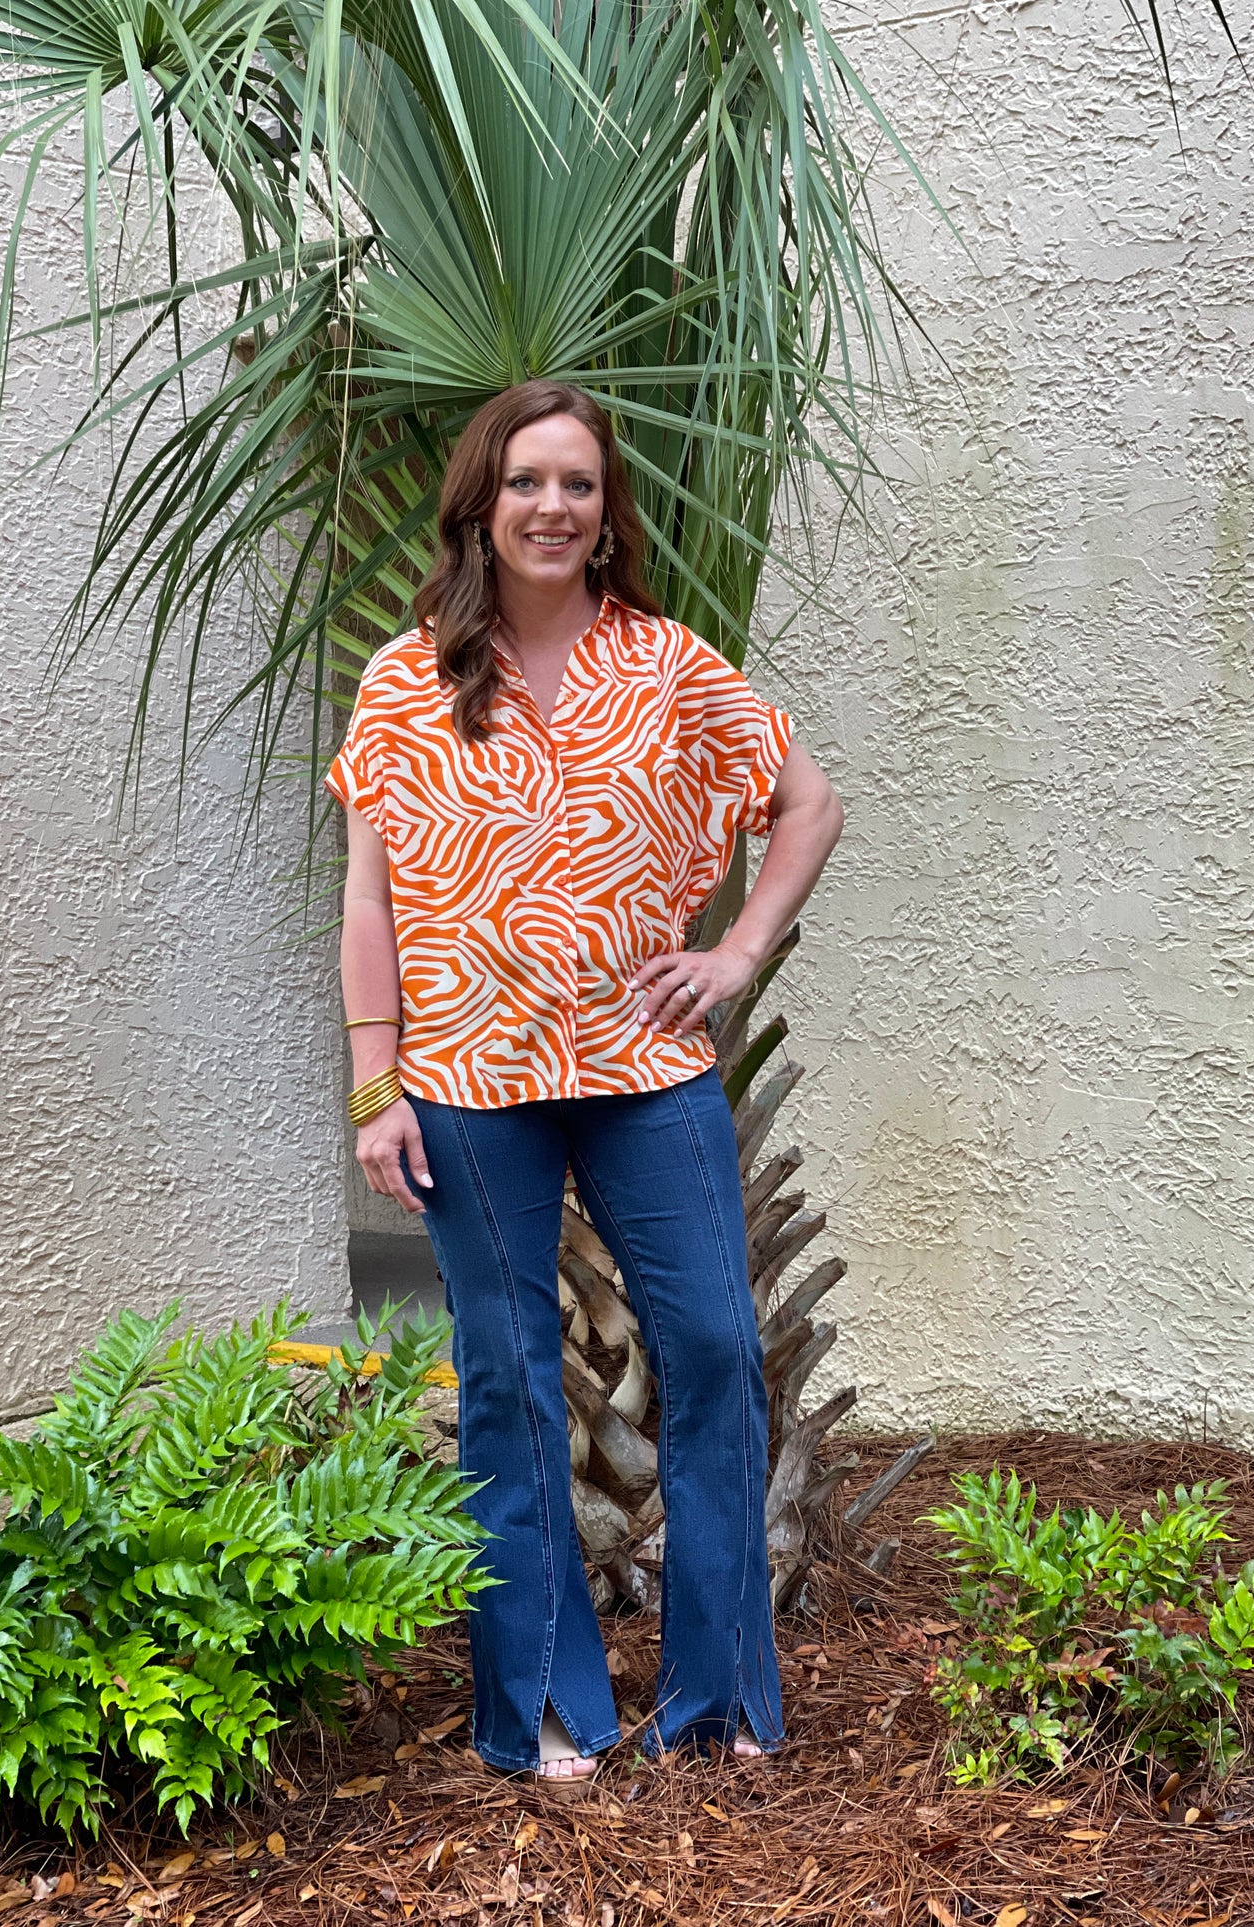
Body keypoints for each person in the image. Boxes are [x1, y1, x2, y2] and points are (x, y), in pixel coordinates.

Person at [328, 379, 843, 1781]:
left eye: (577, 485)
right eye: (525, 483)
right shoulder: (401, 681)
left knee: (719, 1354)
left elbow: (807, 804)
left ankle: (722, 1695)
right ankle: (544, 1707)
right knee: (505, 1380)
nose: (551, 507)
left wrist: (734, 952)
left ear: (606, 513)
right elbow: (368, 905)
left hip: (644, 1074)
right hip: (468, 1085)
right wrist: (377, 1086)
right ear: (478, 507)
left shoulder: (670, 664)